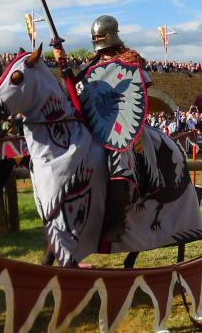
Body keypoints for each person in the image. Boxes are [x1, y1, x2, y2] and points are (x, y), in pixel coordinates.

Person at [54, 15, 156, 242]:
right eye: (95, 37)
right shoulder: (92, 62)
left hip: (121, 125)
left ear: (111, 34)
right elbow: (75, 91)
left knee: (119, 159)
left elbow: (136, 92)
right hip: (97, 123)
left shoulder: (130, 59)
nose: (97, 40)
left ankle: (117, 221)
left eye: (100, 36)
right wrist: (63, 65)